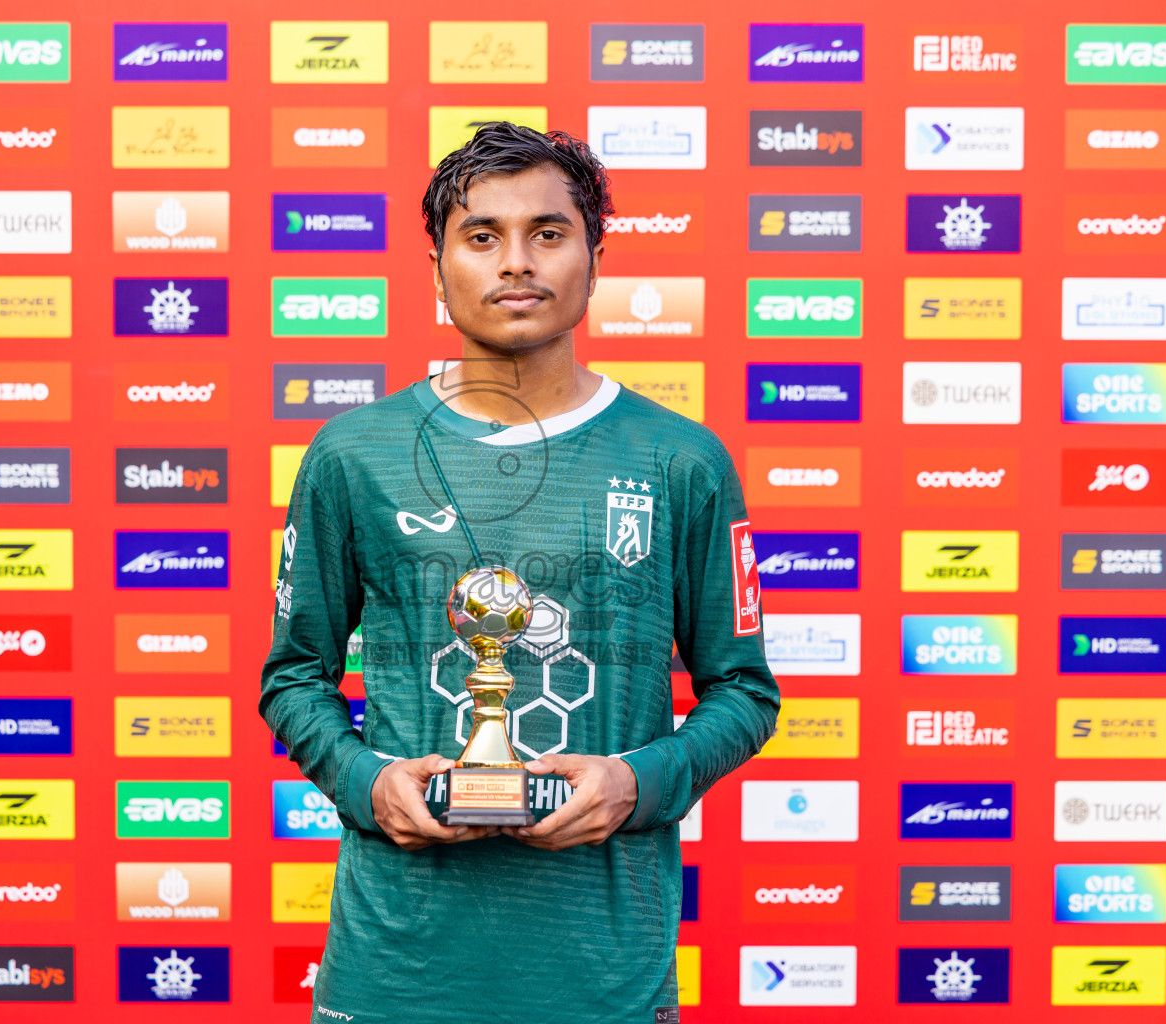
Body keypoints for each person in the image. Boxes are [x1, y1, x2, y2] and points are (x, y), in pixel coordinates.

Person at [261, 122, 780, 1024]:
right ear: (436, 270)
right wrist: (362, 780)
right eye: (482, 236)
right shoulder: (355, 454)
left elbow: (743, 692)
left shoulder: (681, 460)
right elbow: (293, 678)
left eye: (548, 233)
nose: (517, 264)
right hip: (398, 971)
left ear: (595, 256)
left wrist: (639, 781)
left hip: (602, 974)